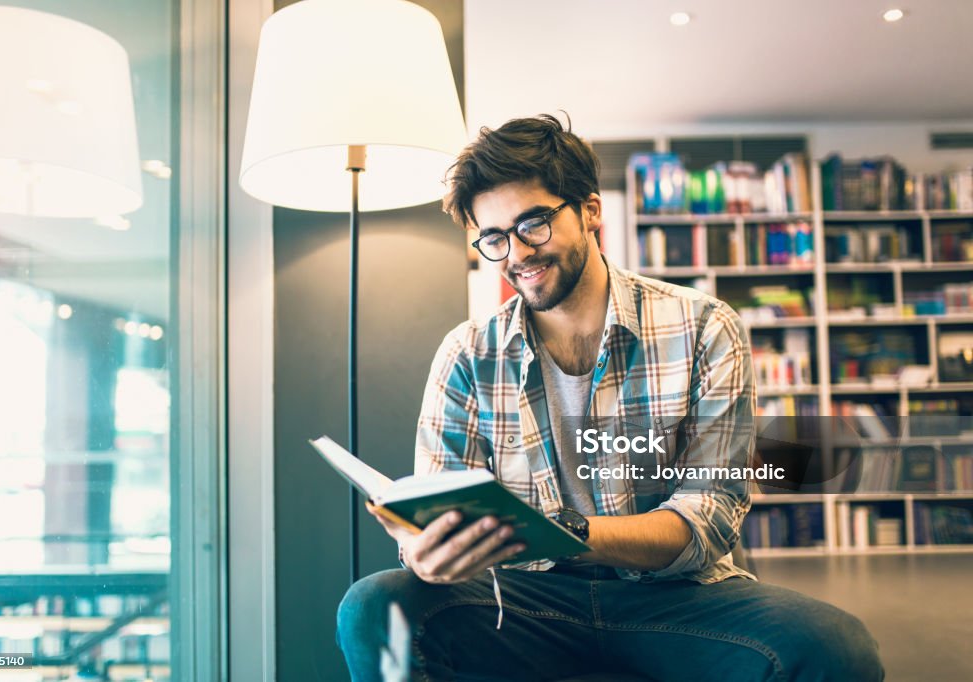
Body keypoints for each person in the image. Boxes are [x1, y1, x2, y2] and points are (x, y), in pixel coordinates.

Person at [337, 114, 883, 681]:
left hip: (674, 599)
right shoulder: (467, 353)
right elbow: (439, 504)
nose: (517, 254)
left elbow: (709, 517)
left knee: (835, 647)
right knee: (374, 607)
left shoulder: (703, 327)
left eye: (533, 224)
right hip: (520, 603)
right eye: (494, 237)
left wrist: (566, 533)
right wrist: (423, 551)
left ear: (590, 211)